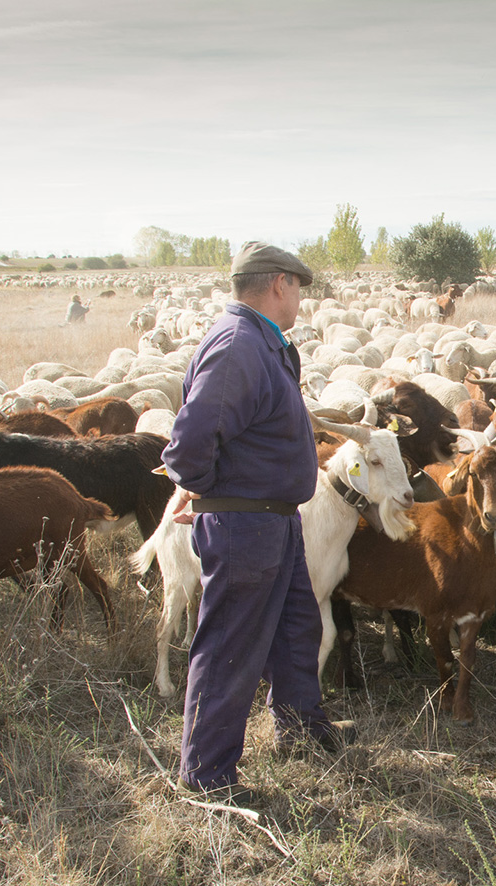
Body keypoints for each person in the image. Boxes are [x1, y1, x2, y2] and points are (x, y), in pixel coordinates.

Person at [161, 240, 354, 793]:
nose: (300, 298)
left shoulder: (265, 344)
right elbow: (193, 436)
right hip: (244, 523)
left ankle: (301, 729)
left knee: (296, 629)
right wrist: (195, 489)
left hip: (275, 519)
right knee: (230, 646)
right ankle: (206, 777)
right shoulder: (239, 345)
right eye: (298, 287)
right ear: (279, 284)